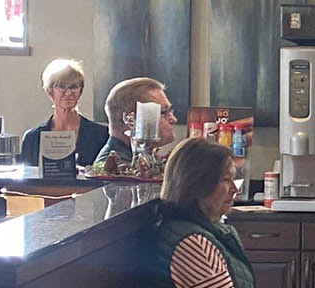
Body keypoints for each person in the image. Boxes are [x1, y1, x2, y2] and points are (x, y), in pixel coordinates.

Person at [150, 138, 252, 288]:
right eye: (225, 180)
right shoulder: (194, 245)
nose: (234, 189)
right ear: (198, 185)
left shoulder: (208, 229)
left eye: (233, 179)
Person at [18, 58, 110, 167]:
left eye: (74, 87)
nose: (68, 93)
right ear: (49, 91)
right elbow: (27, 180)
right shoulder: (32, 137)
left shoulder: (101, 134)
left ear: (80, 91)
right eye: (61, 86)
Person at [95, 77, 179, 165]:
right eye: (163, 112)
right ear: (131, 119)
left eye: (170, 111)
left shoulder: (140, 159)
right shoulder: (115, 170)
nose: (173, 119)